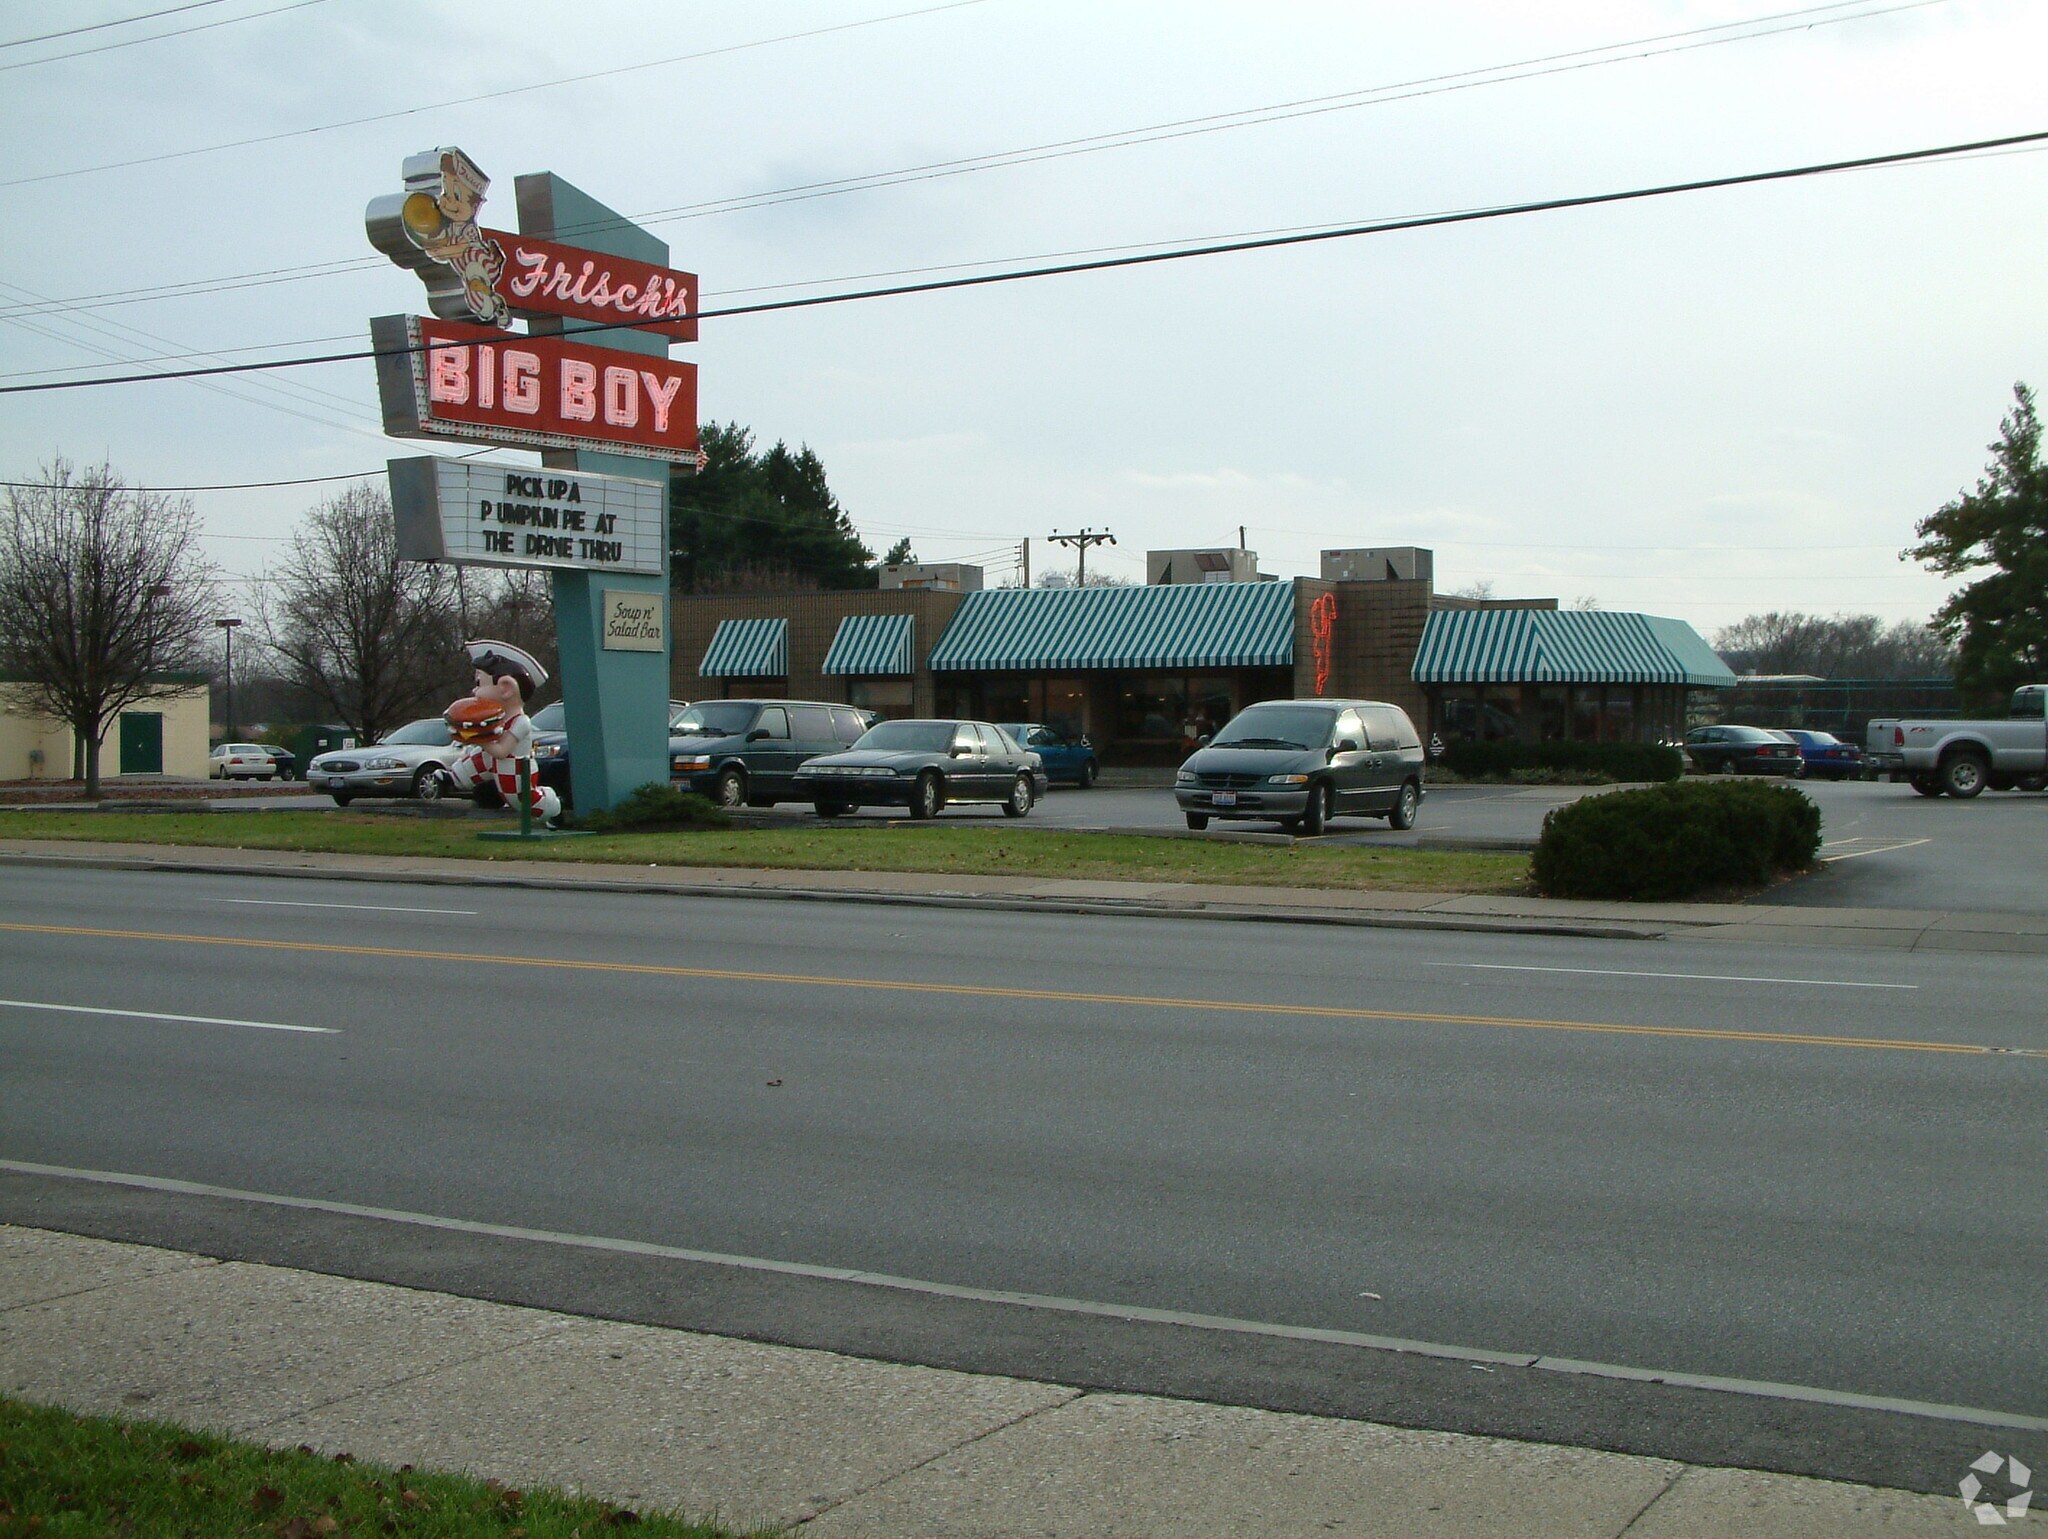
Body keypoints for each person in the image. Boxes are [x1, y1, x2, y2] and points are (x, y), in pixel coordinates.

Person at [447, 639, 560, 824]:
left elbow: (501, 751)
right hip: (494, 762)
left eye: (479, 683)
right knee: (478, 757)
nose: (474, 690)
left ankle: (551, 806)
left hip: (515, 768)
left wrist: (478, 737)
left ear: (506, 688)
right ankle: (454, 777)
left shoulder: (521, 722)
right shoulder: (498, 718)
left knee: (520, 800)